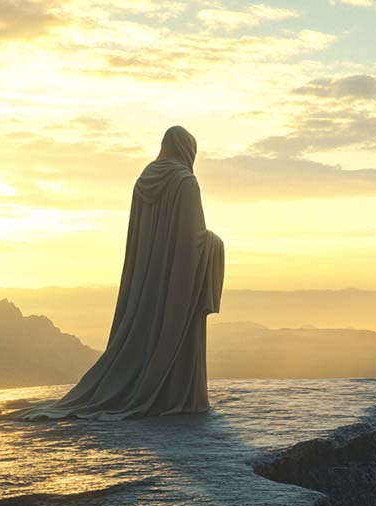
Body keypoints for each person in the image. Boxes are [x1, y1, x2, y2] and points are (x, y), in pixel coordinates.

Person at [21, 126, 224, 420]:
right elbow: (192, 241)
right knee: (173, 329)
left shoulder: (144, 180)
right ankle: (170, 393)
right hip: (173, 283)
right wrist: (215, 244)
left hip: (144, 283)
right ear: (187, 150)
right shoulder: (185, 182)